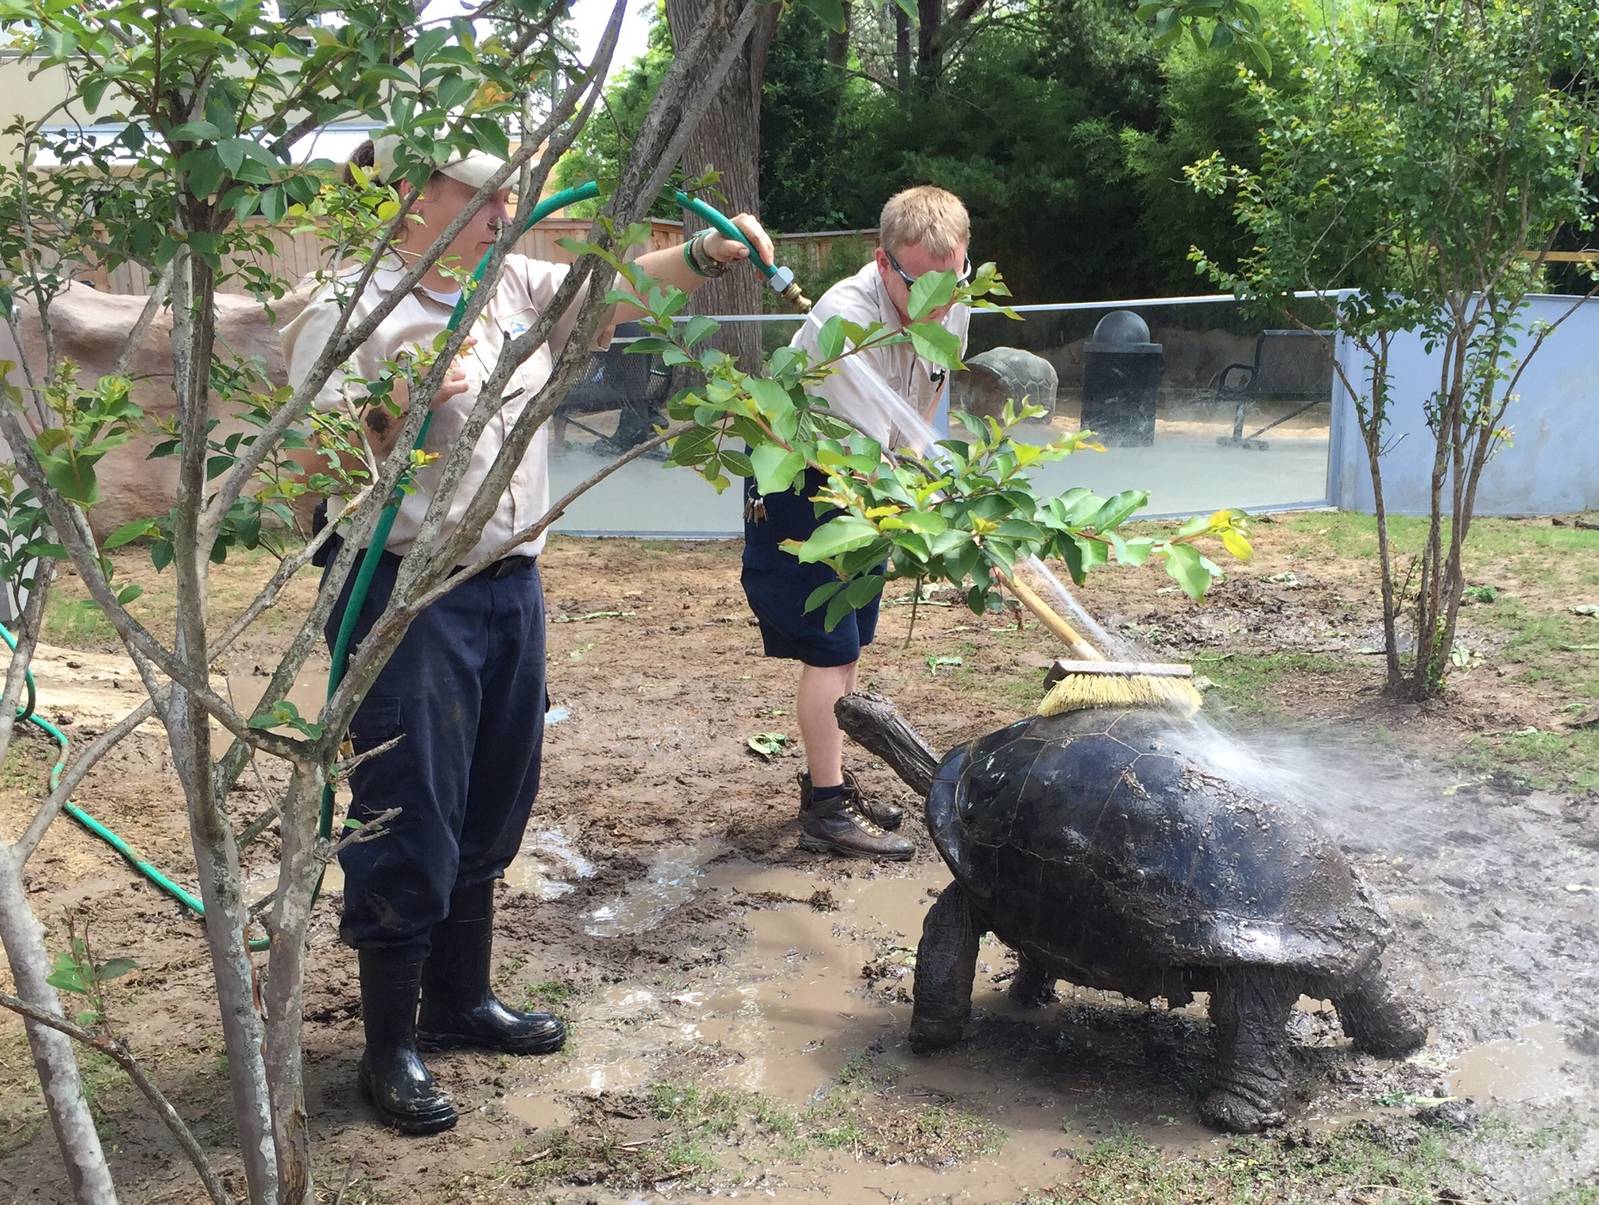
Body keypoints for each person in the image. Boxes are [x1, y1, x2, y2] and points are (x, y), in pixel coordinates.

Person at [281, 135, 774, 1135]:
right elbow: (306, 473)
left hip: (511, 584)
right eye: (483, 194)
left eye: (511, 194)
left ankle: (460, 1000)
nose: (508, 212)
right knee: (408, 809)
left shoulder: (511, 283)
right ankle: (389, 1047)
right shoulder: (348, 307)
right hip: (406, 591)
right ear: (414, 193)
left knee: (493, 792)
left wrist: (711, 251)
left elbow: (621, 288)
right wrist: (395, 408)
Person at [740, 186, 972, 861]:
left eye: (953, 281)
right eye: (922, 285)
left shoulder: (952, 302)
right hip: (807, 482)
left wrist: (937, 484)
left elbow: (922, 406)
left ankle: (829, 781)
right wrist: (938, 520)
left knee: (851, 643)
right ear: (882, 261)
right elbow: (863, 461)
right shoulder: (843, 320)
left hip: (876, 476)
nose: (940, 302)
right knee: (830, 649)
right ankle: (826, 809)